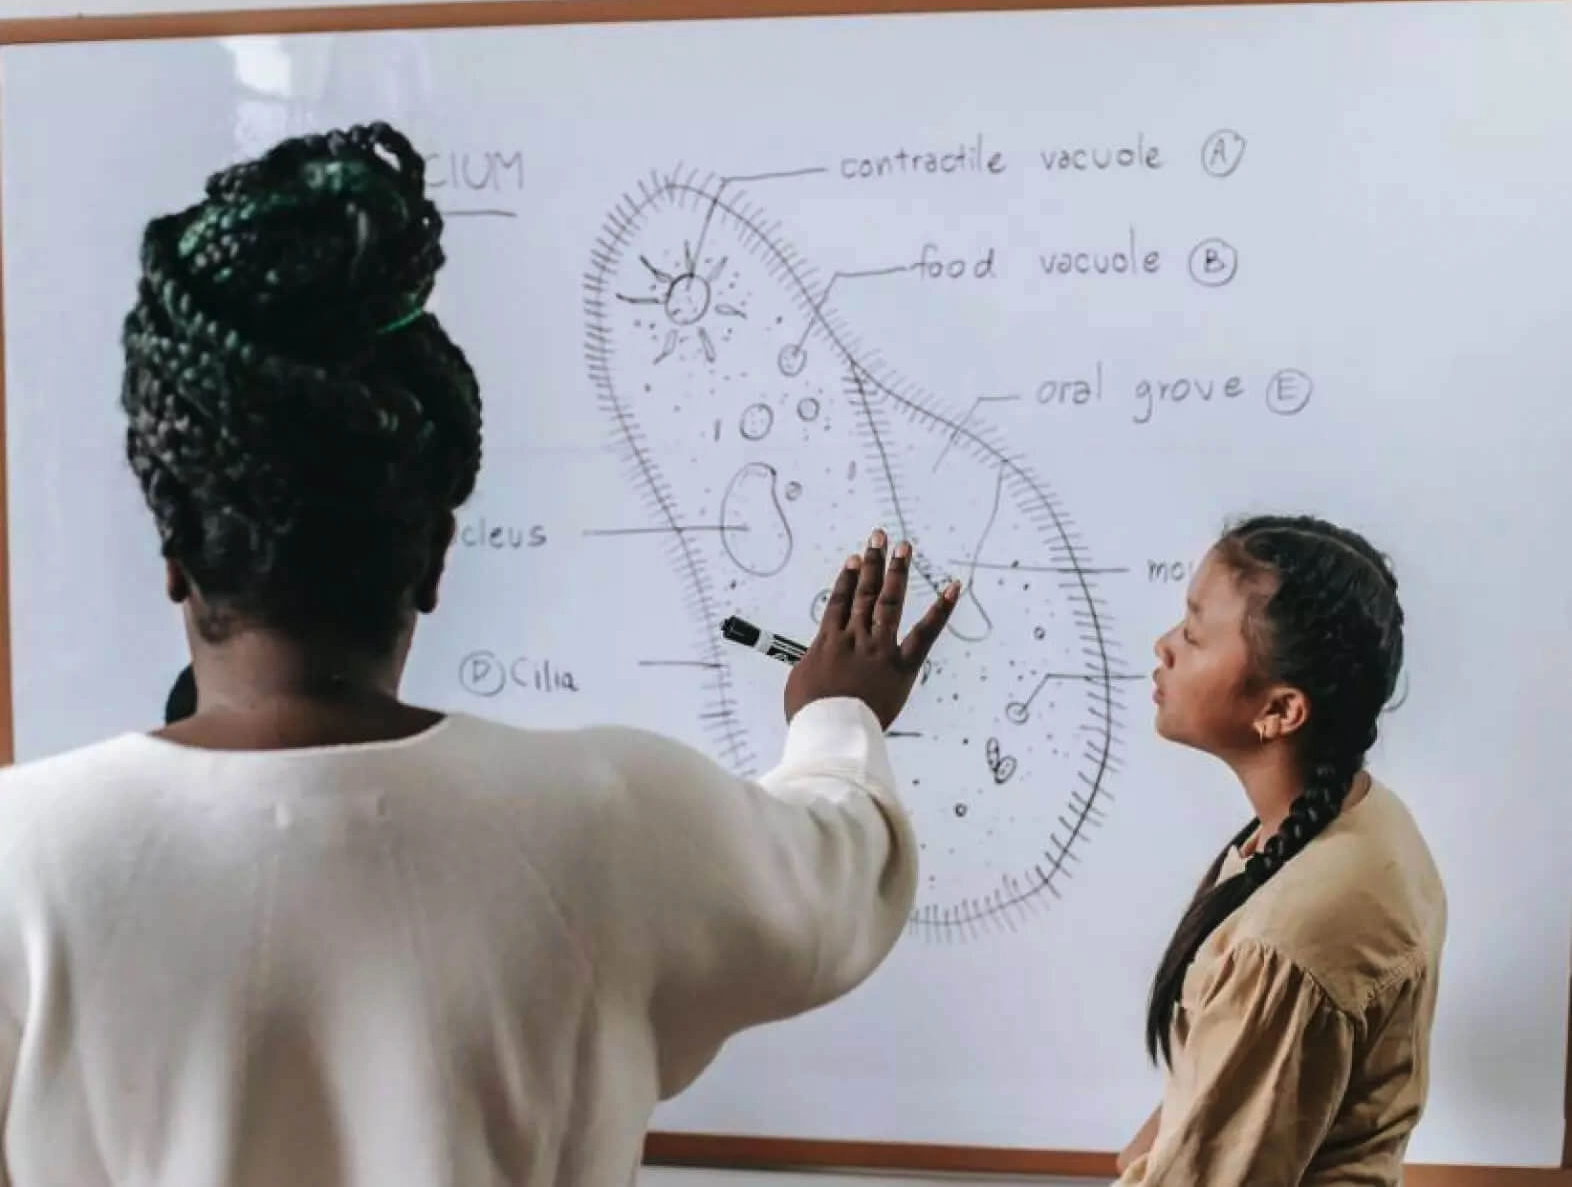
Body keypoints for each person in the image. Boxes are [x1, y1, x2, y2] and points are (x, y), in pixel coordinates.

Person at [0, 123, 960, 1186]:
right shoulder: (612, 818)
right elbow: (844, 875)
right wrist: (841, 717)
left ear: (175, 554)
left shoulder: (18, 861)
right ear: (435, 557)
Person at [1115, 515, 1446, 1186]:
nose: (1164, 645)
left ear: (1282, 711)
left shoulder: (1286, 943)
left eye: (1194, 633)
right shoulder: (1364, 815)